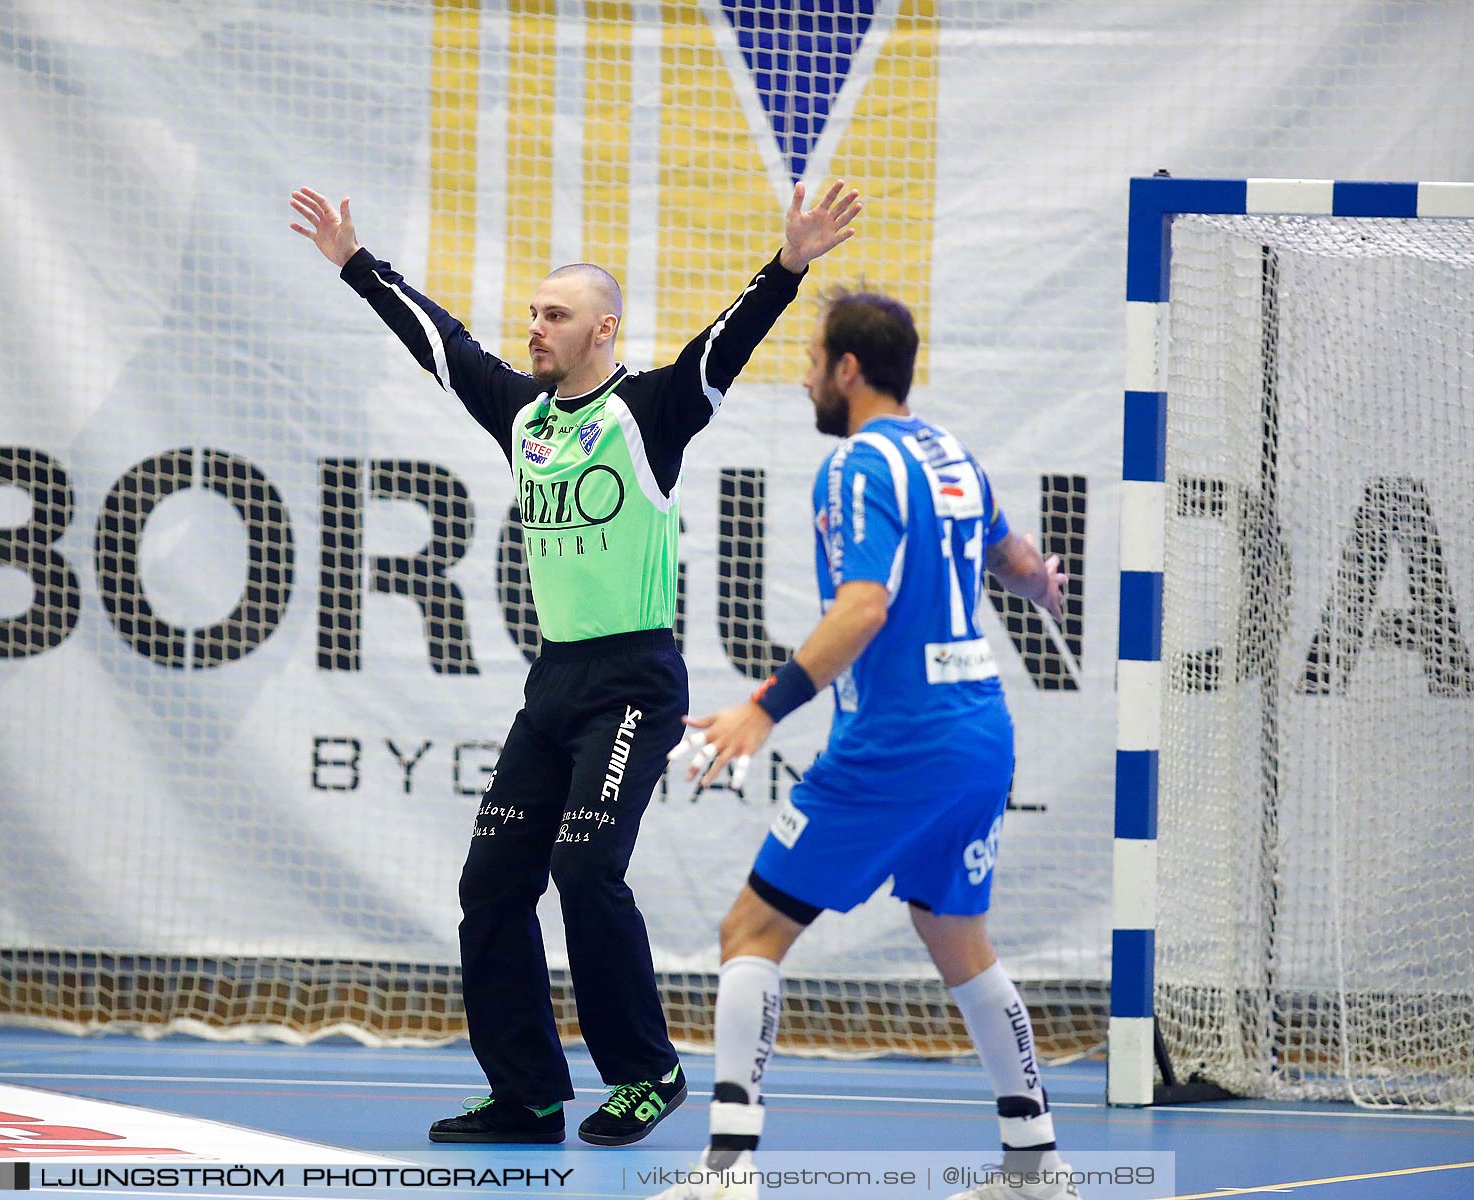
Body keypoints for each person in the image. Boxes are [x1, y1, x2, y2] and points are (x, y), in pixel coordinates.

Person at [288, 181, 862, 1146]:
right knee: (492, 883)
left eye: (555, 315)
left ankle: (646, 1072)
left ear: (605, 328)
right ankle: (527, 1094)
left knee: (586, 868)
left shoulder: (649, 412)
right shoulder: (524, 416)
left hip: (634, 682)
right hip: (552, 683)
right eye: (533, 314)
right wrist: (355, 263)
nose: (536, 329)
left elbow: (722, 346)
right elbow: (442, 344)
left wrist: (789, 266)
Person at [657, 290, 1077, 1199]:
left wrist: (764, 707)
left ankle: (726, 1174)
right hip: (979, 735)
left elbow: (863, 608)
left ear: (848, 369)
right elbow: (1006, 553)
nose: (805, 373)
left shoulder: (856, 467)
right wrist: (1041, 580)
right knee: (956, 932)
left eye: (812, 358)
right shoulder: (950, 453)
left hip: (901, 739)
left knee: (751, 928)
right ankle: (1037, 1167)